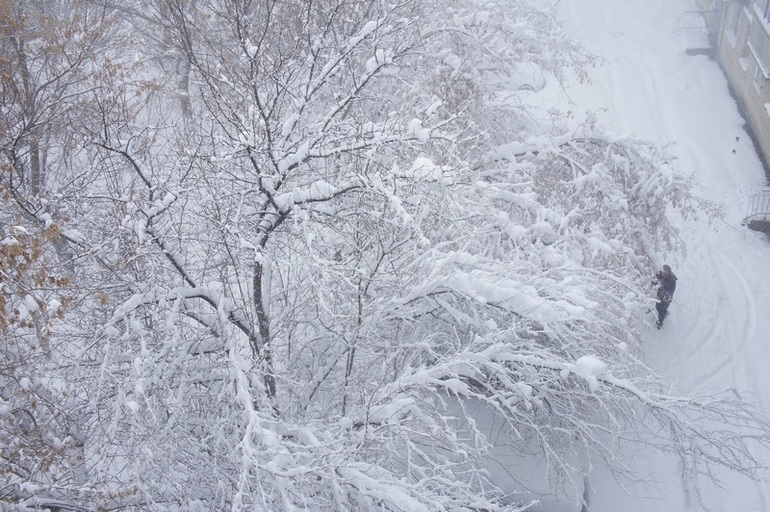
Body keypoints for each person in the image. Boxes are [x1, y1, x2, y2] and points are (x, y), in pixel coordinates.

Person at [654, 264, 677, 329]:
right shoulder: (661, 275)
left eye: (665, 271)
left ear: (668, 272)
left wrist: (663, 288)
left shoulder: (672, 281)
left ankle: (660, 323)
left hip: (666, 298)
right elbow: (657, 279)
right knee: (657, 307)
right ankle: (665, 314)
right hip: (660, 295)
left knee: (662, 310)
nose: (663, 272)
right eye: (663, 270)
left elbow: (670, 292)